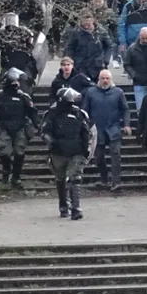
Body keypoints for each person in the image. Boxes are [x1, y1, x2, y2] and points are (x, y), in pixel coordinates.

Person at [0, 68, 40, 188]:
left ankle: (16, 177)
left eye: (18, 82)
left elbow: (32, 112)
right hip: (4, 128)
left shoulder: (23, 97)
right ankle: (6, 170)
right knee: (4, 153)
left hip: (20, 128)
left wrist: (38, 125)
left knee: (20, 153)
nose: (17, 84)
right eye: (14, 81)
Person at [43, 86, 92, 220]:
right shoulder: (52, 113)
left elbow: (86, 133)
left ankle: (76, 208)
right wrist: (52, 143)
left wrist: (86, 149)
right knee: (60, 179)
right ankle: (63, 206)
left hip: (75, 151)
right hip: (58, 152)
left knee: (74, 178)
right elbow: (45, 132)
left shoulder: (79, 114)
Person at [81, 69, 130, 192]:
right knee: (99, 157)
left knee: (115, 155)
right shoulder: (91, 92)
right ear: (98, 79)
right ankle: (104, 179)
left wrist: (127, 124)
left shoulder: (118, 92)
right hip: (97, 130)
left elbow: (125, 109)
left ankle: (116, 182)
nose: (105, 81)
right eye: (102, 78)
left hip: (114, 128)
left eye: (107, 78)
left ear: (111, 79)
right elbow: (84, 110)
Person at [0, 14, 40, 89]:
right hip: (9, 65)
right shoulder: (0, 34)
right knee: (6, 85)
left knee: (26, 84)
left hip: (22, 65)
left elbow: (32, 52)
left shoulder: (24, 32)